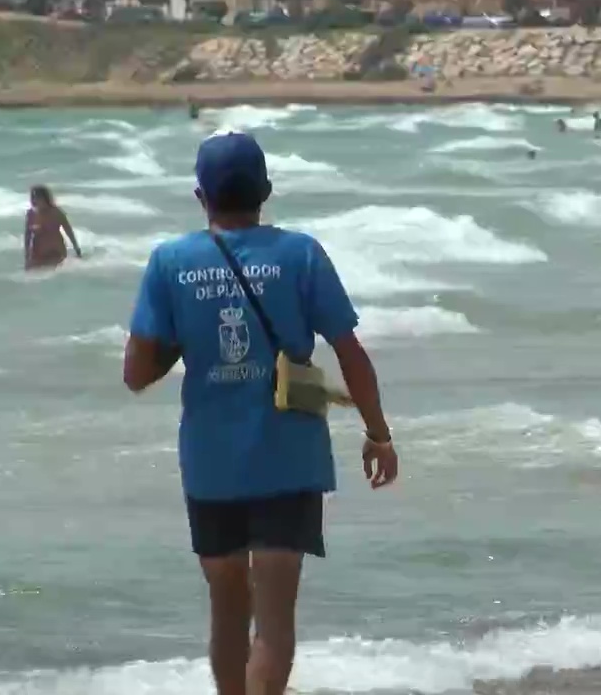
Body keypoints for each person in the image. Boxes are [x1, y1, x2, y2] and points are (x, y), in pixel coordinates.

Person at [122, 131, 397, 695]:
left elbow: (135, 374)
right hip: (287, 456)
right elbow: (350, 350)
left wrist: (187, 335)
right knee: (273, 616)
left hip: (209, 462)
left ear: (201, 197)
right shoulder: (300, 254)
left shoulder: (170, 261)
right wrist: (378, 434)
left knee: (227, 607)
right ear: (266, 191)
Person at [24, 185, 82, 270]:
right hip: (38, 252)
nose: (36, 200)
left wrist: (76, 248)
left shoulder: (56, 212)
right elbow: (28, 235)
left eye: (38, 198)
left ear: (45, 198)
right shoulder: (31, 214)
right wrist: (27, 254)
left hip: (55, 250)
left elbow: (68, 230)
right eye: (34, 198)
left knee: (54, 274)